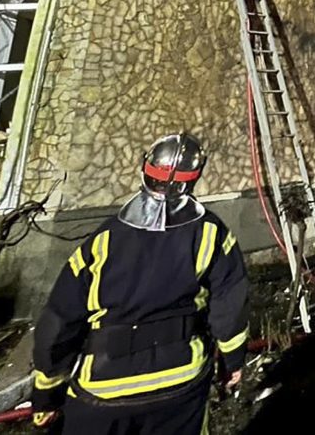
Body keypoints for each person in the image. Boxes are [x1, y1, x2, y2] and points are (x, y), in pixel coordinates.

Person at [30, 133, 250, 433]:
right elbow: (230, 305)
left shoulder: (103, 241)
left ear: (145, 170)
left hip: (103, 389)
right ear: (194, 178)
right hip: (180, 381)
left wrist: (46, 394)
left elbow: (59, 320)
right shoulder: (211, 234)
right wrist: (233, 362)